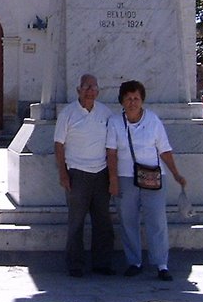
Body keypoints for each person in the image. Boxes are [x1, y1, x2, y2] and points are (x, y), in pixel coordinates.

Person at [106, 80, 186, 281]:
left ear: (142, 101)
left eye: (136, 98)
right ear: (122, 101)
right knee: (128, 220)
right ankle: (134, 261)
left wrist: (176, 173)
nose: (132, 102)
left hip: (152, 176)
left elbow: (164, 149)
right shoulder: (115, 122)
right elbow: (111, 153)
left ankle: (161, 263)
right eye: (128, 98)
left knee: (157, 220)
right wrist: (113, 179)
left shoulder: (153, 120)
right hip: (125, 177)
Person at [53, 73, 115, 277]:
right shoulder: (68, 113)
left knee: (103, 221)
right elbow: (59, 145)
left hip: (101, 173)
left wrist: (112, 176)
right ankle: (75, 264)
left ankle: (102, 262)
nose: (90, 90)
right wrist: (63, 174)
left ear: (98, 91)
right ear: (78, 90)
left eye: (94, 87)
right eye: (87, 86)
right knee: (76, 221)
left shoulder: (106, 113)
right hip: (77, 174)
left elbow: (111, 146)